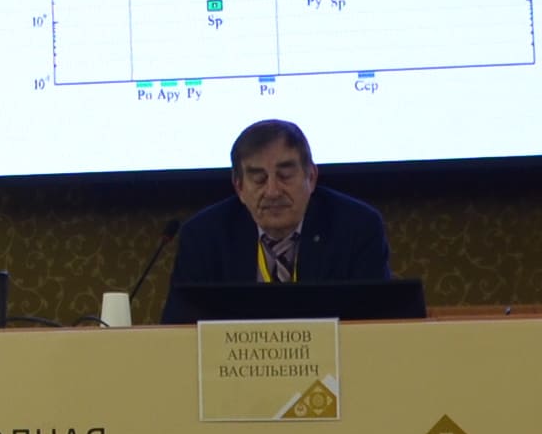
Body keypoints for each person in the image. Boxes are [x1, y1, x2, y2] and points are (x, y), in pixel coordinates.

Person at [159, 118, 392, 321]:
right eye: (259, 179)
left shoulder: (357, 228)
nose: (272, 191)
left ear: (311, 177)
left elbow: (377, 326)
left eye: (285, 175)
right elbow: (180, 331)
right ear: (239, 187)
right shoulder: (204, 237)